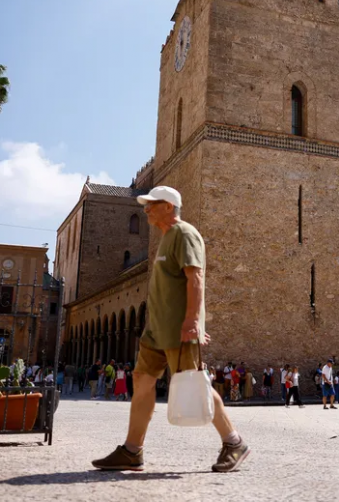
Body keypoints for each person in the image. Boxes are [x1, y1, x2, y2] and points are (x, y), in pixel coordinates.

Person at [92, 186, 249, 473]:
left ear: (168, 206)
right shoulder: (165, 239)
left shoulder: (185, 234)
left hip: (178, 330)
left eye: (151, 204)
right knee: (141, 380)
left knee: (197, 383)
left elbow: (196, 278)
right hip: (156, 330)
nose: (146, 209)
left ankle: (234, 442)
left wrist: (192, 322)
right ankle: (132, 450)